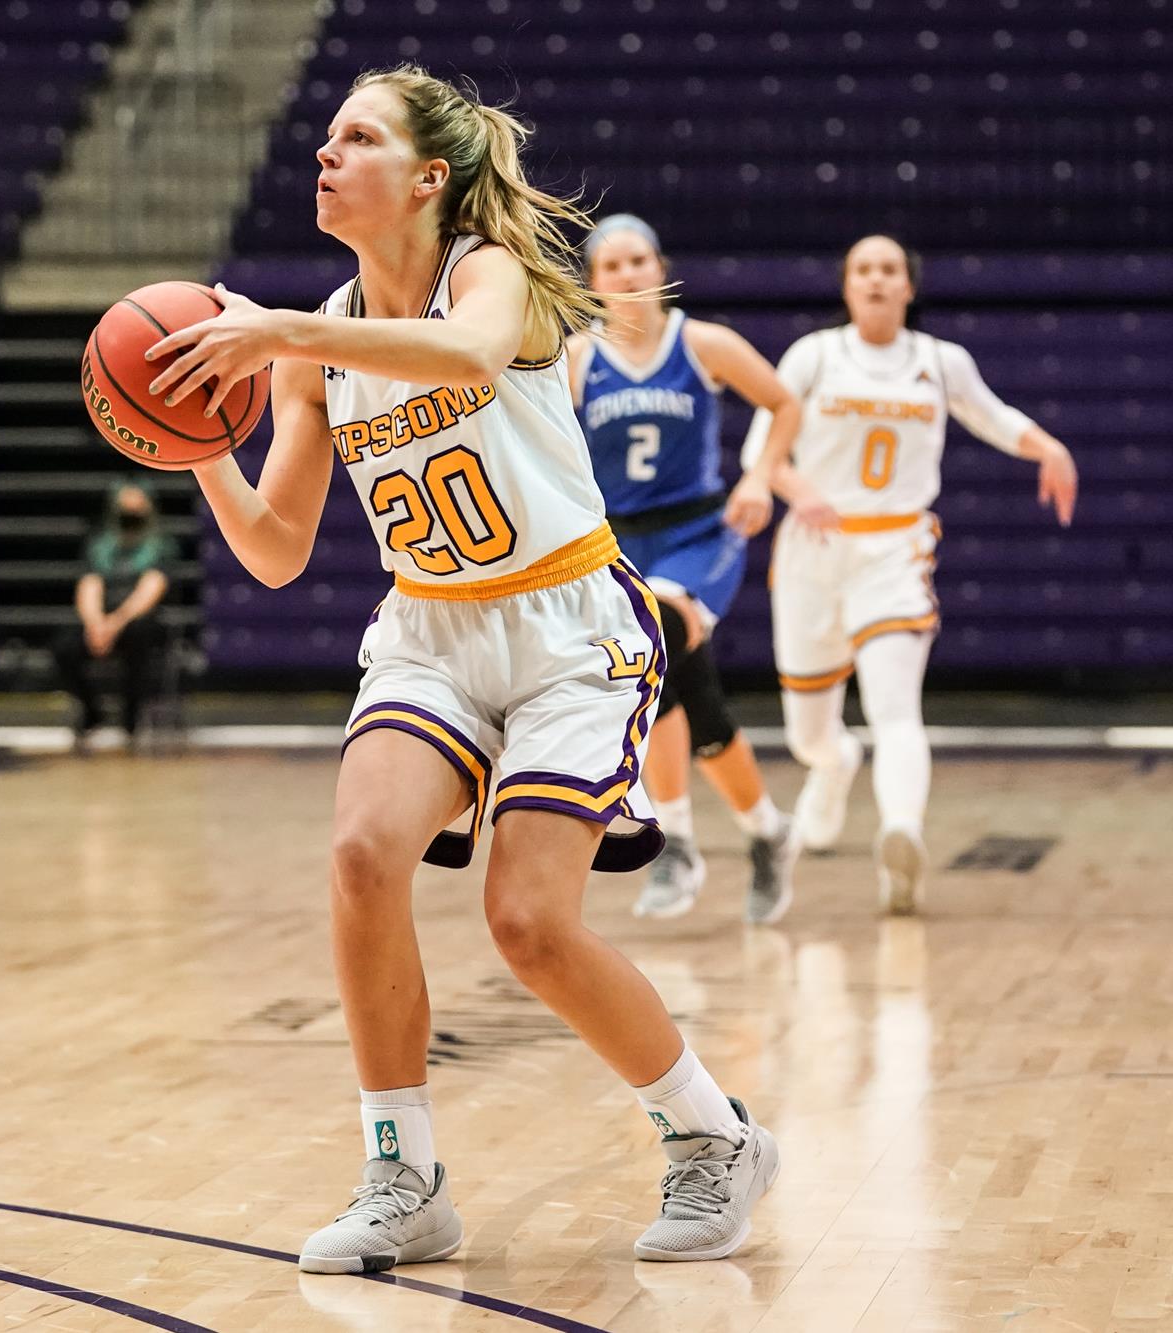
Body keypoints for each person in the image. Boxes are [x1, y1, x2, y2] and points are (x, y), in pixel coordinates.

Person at [142, 65, 778, 1271]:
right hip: (429, 633)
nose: (323, 153)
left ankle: (711, 1134)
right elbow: (276, 552)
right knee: (357, 855)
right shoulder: (312, 346)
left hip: (566, 631)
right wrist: (197, 449)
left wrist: (279, 327)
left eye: (356, 136)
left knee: (528, 923)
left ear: (428, 176)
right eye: (324, 137)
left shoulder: (487, 275)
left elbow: (471, 356)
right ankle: (403, 1172)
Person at [745, 235, 1079, 914]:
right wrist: (794, 485)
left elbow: (993, 416)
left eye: (889, 269)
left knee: (896, 707)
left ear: (908, 286)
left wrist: (1050, 447)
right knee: (809, 733)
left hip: (896, 548)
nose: (875, 279)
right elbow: (762, 452)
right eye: (863, 269)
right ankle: (835, 764)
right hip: (813, 547)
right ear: (846, 285)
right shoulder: (814, 355)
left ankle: (901, 833)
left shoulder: (939, 360)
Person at [569, 214, 819, 924]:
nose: (628, 274)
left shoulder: (702, 342)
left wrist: (761, 476)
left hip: (699, 533)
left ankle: (674, 838)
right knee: (682, 691)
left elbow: (783, 402)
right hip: (618, 545)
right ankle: (768, 830)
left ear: (661, 267)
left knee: (661, 641)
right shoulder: (576, 360)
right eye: (612, 266)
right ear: (593, 283)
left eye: (639, 260)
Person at [51, 482, 171, 746]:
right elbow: (89, 583)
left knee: (140, 637)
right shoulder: (100, 545)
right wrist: (96, 624)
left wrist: (116, 623)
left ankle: (132, 717)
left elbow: (151, 588)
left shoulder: (159, 545)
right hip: (101, 618)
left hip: (136, 617)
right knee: (65, 646)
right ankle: (91, 712)